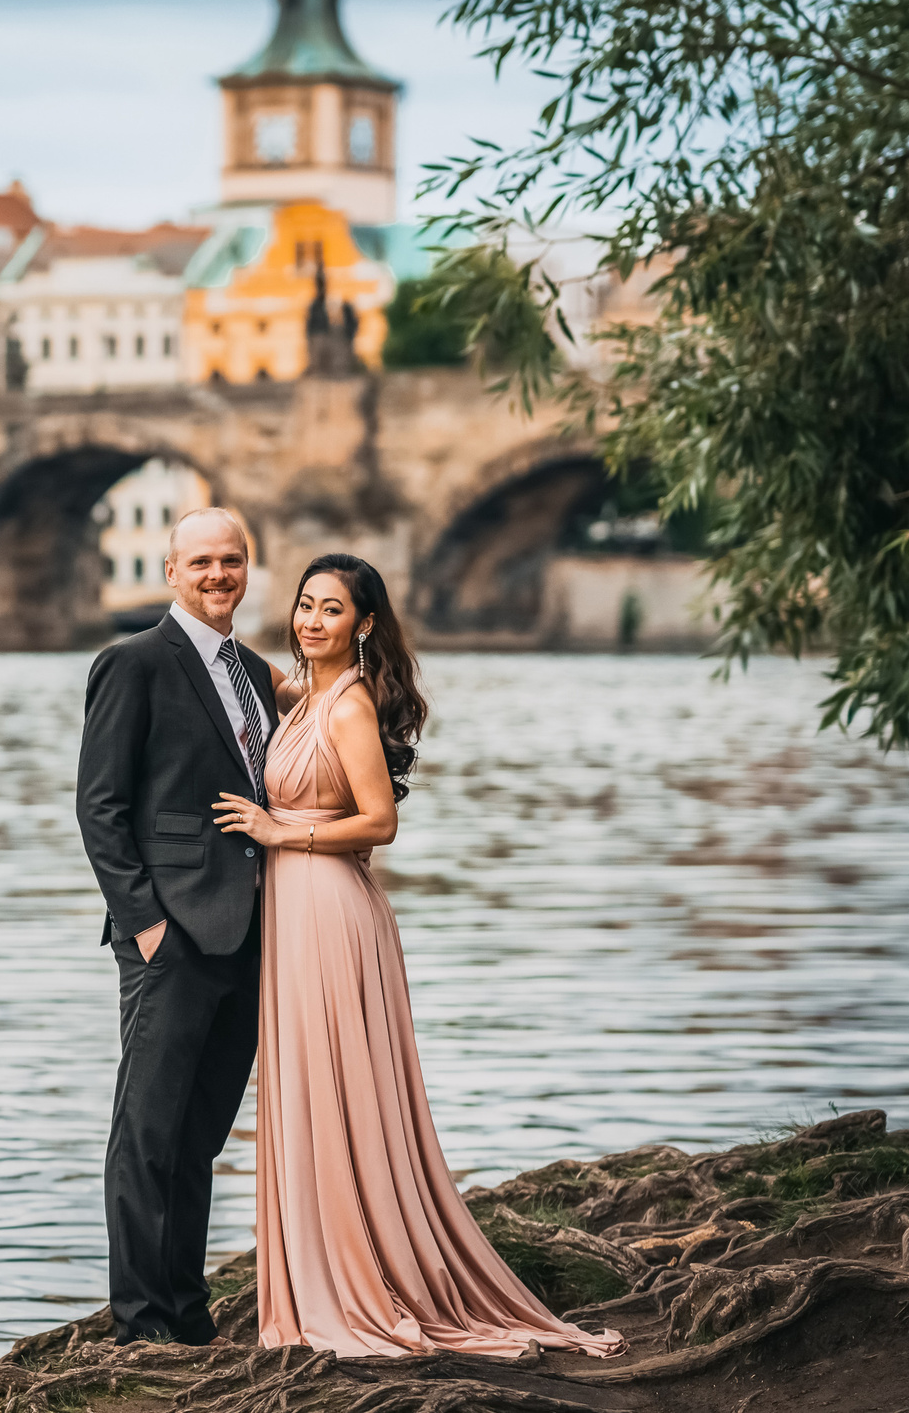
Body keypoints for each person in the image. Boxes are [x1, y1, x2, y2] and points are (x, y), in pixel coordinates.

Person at [213, 554, 623, 1359]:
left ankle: (361, 1281)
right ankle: (319, 1269)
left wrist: (277, 830)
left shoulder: (350, 707)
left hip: (330, 908)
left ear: (364, 624)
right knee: (308, 1087)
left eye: (332, 610)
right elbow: (228, 668)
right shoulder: (305, 697)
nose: (310, 621)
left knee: (341, 1089)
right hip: (294, 913)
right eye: (303, 605)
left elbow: (378, 823)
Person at [75, 506, 280, 1346]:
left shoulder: (257, 673)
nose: (217, 575)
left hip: (253, 935)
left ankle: (187, 1313)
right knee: (147, 1135)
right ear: (171, 572)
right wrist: (146, 925)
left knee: (198, 1138)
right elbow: (100, 807)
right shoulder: (133, 663)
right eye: (200, 562)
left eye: (231, 561)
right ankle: (141, 1322)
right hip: (172, 936)